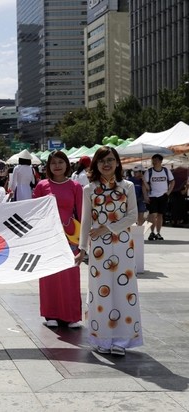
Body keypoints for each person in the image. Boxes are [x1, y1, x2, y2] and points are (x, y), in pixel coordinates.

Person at [75, 146, 141, 356]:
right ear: (96, 164)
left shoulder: (127, 186)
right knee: (100, 292)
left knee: (124, 291)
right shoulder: (90, 189)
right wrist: (82, 248)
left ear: (118, 163)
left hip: (123, 246)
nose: (107, 164)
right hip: (98, 249)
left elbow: (133, 217)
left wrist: (106, 228)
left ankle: (122, 340)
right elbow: (85, 221)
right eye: (102, 160)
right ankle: (102, 338)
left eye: (111, 159)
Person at [33, 151, 83, 328]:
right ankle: (50, 314)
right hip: (48, 236)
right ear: (48, 166)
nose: (57, 166)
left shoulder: (75, 186)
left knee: (70, 275)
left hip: (70, 236)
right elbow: (34, 212)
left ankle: (71, 315)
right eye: (53, 163)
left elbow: (82, 213)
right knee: (50, 275)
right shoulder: (42, 186)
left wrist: (84, 242)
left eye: (60, 162)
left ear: (67, 164)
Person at [142, 154, 174, 240]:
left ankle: (158, 233)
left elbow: (172, 181)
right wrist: (145, 196)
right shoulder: (149, 171)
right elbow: (144, 185)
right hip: (152, 196)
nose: (154, 162)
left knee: (160, 215)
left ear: (160, 161)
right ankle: (152, 232)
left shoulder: (166, 171)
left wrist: (168, 192)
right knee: (153, 214)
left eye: (156, 160)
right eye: (153, 160)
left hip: (163, 195)